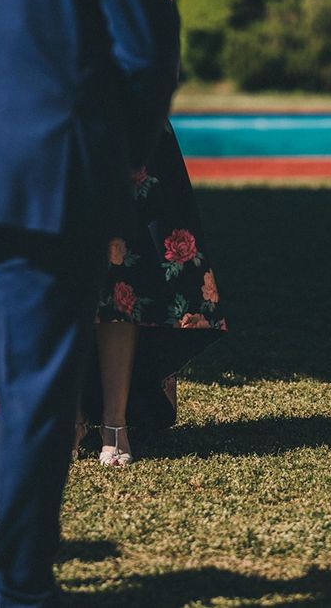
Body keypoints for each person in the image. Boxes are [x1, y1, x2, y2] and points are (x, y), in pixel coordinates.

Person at [0, 0, 178, 605]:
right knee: (37, 390)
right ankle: (17, 584)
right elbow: (145, 50)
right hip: (49, 175)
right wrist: (122, 159)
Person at [75, 122, 228, 467]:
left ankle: (115, 424)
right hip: (47, 116)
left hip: (126, 119)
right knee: (58, 270)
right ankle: (70, 416)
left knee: (124, 276)